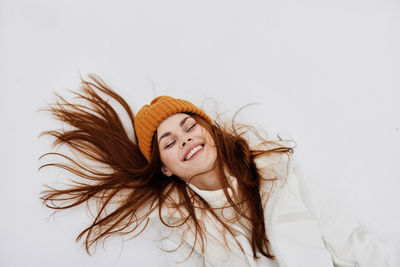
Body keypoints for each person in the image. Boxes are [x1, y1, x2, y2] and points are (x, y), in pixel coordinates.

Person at [39, 75, 400, 267]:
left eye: (190, 125)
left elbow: (350, 242)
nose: (186, 139)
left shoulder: (278, 171)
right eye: (169, 142)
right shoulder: (178, 229)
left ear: (209, 129)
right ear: (165, 168)